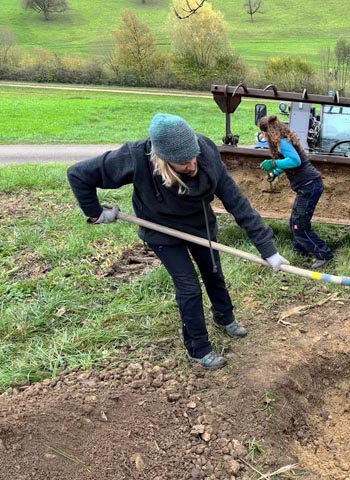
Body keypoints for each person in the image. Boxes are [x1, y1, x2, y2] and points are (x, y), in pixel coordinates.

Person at [67, 113, 289, 370]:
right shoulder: (135, 156)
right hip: (161, 230)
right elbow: (78, 174)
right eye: (183, 162)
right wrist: (95, 212)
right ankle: (199, 348)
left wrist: (268, 250)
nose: (192, 165)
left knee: (213, 272)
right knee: (189, 287)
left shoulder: (204, 150)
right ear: (162, 158)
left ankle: (224, 317)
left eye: (193, 157)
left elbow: (237, 202)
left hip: (199, 225)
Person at [258, 115, 334, 270]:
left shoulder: (284, 142)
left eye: (263, 132)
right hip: (307, 186)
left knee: (299, 225)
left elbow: (295, 161)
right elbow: (288, 163)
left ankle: (324, 254)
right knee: (295, 222)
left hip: (310, 185)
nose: (263, 136)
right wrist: (275, 172)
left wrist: (273, 163)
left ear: (269, 131)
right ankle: (300, 250)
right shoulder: (282, 141)